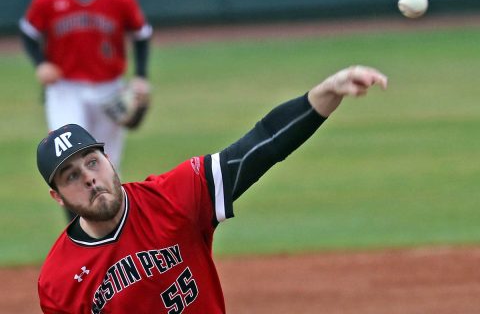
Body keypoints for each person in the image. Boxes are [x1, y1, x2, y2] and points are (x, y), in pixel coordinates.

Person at [35, 66, 387, 313]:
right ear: (58, 196)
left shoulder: (172, 197)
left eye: (92, 162)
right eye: (70, 176)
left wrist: (325, 92)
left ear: (109, 159)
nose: (89, 178)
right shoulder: (58, 281)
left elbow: (260, 146)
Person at [20, 0, 153, 221]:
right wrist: (41, 63)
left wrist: (141, 76)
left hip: (109, 87)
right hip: (65, 88)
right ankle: (79, 235)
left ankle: (115, 230)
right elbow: (28, 31)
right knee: (67, 158)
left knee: (107, 164)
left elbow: (142, 34)